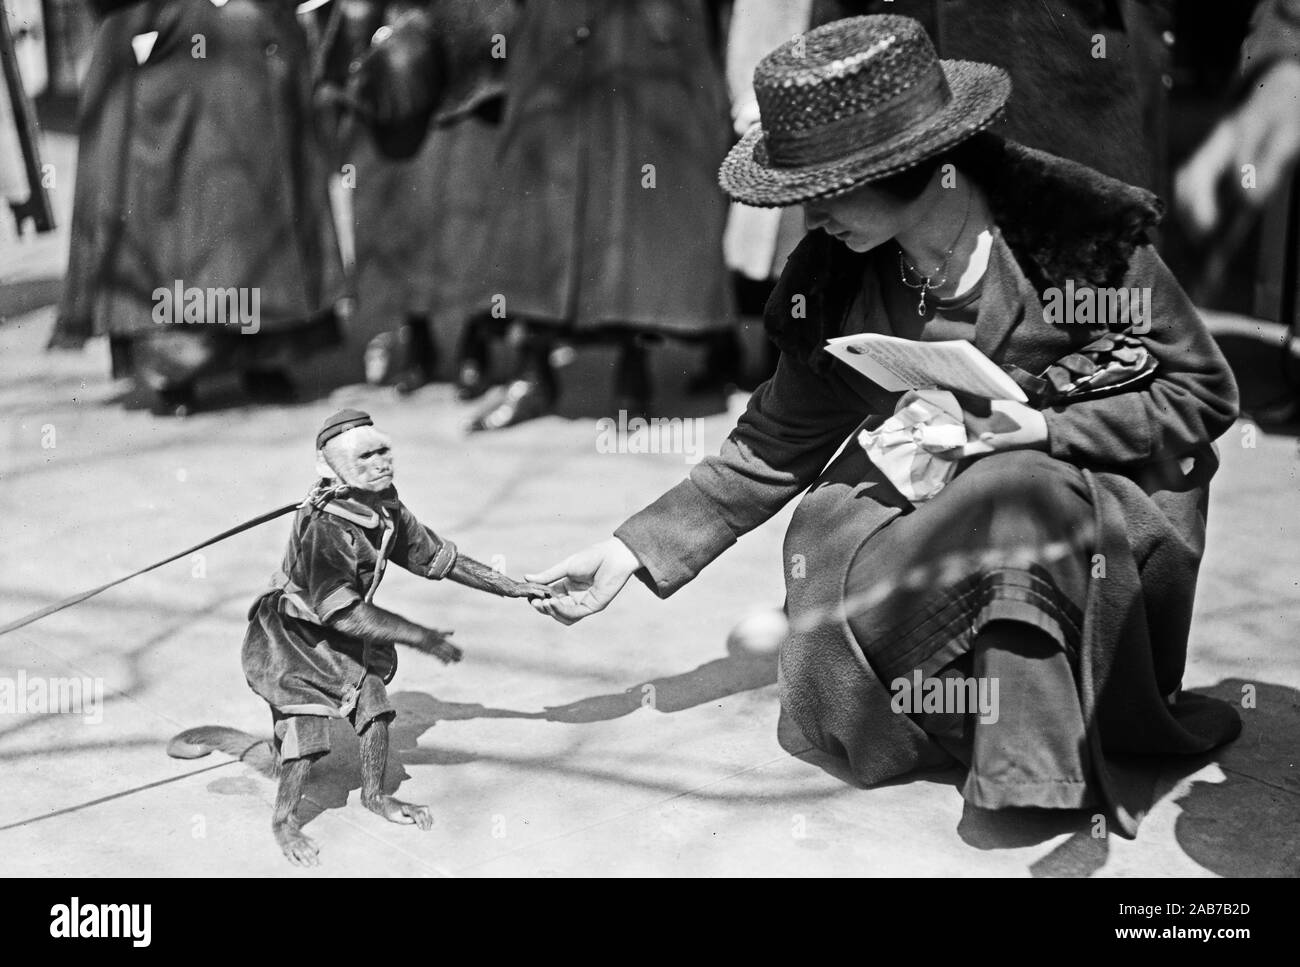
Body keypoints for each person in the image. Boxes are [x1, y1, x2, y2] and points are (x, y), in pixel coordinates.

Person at [527, 15, 1243, 834]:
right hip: (930, 511)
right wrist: (629, 550)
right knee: (871, 562)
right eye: (803, 196)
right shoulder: (839, 276)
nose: (814, 215)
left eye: (832, 191)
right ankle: (971, 715)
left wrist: (1044, 431)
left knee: (1019, 487)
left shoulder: (1079, 240)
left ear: (924, 169)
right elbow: (774, 439)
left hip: (1093, 514)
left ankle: (1031, 767)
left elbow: (1200, 393)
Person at [50, 0, 347, 416]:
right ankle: (179, 373)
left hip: (249, 64)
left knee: (256, 229)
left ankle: (263, 359)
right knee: (174, 237)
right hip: (163, 70)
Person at [464, 0, 735, 431]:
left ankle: (633, 363)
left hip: (646, 33)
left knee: (637, 197)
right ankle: (532, 371)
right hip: (554, 29)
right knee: (538, 201)